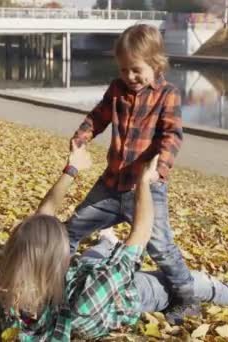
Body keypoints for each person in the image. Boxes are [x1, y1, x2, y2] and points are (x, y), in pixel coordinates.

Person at [0, 146, 228, 341]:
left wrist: (73, 167)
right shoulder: (87, 301)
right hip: (127, 295)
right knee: (205, 286)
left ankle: (106, 242)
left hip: (82, 275)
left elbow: (44, 215)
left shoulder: (11, 291)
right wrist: (144, 184)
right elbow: (141, 232)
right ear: (57, 259)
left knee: (98, 254)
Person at [66, 23, 195, 321]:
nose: (130, 77)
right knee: (72, 228)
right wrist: (81, 138)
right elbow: (97, 117)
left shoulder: (168, 95)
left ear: (155, 62)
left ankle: (186, 295)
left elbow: (172, 135)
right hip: (111, 185)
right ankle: (53, 275)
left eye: (136, 70)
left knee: (161, 246)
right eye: (124, 70)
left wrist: (158, 170)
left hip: (146, 190)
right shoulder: (116, 90)